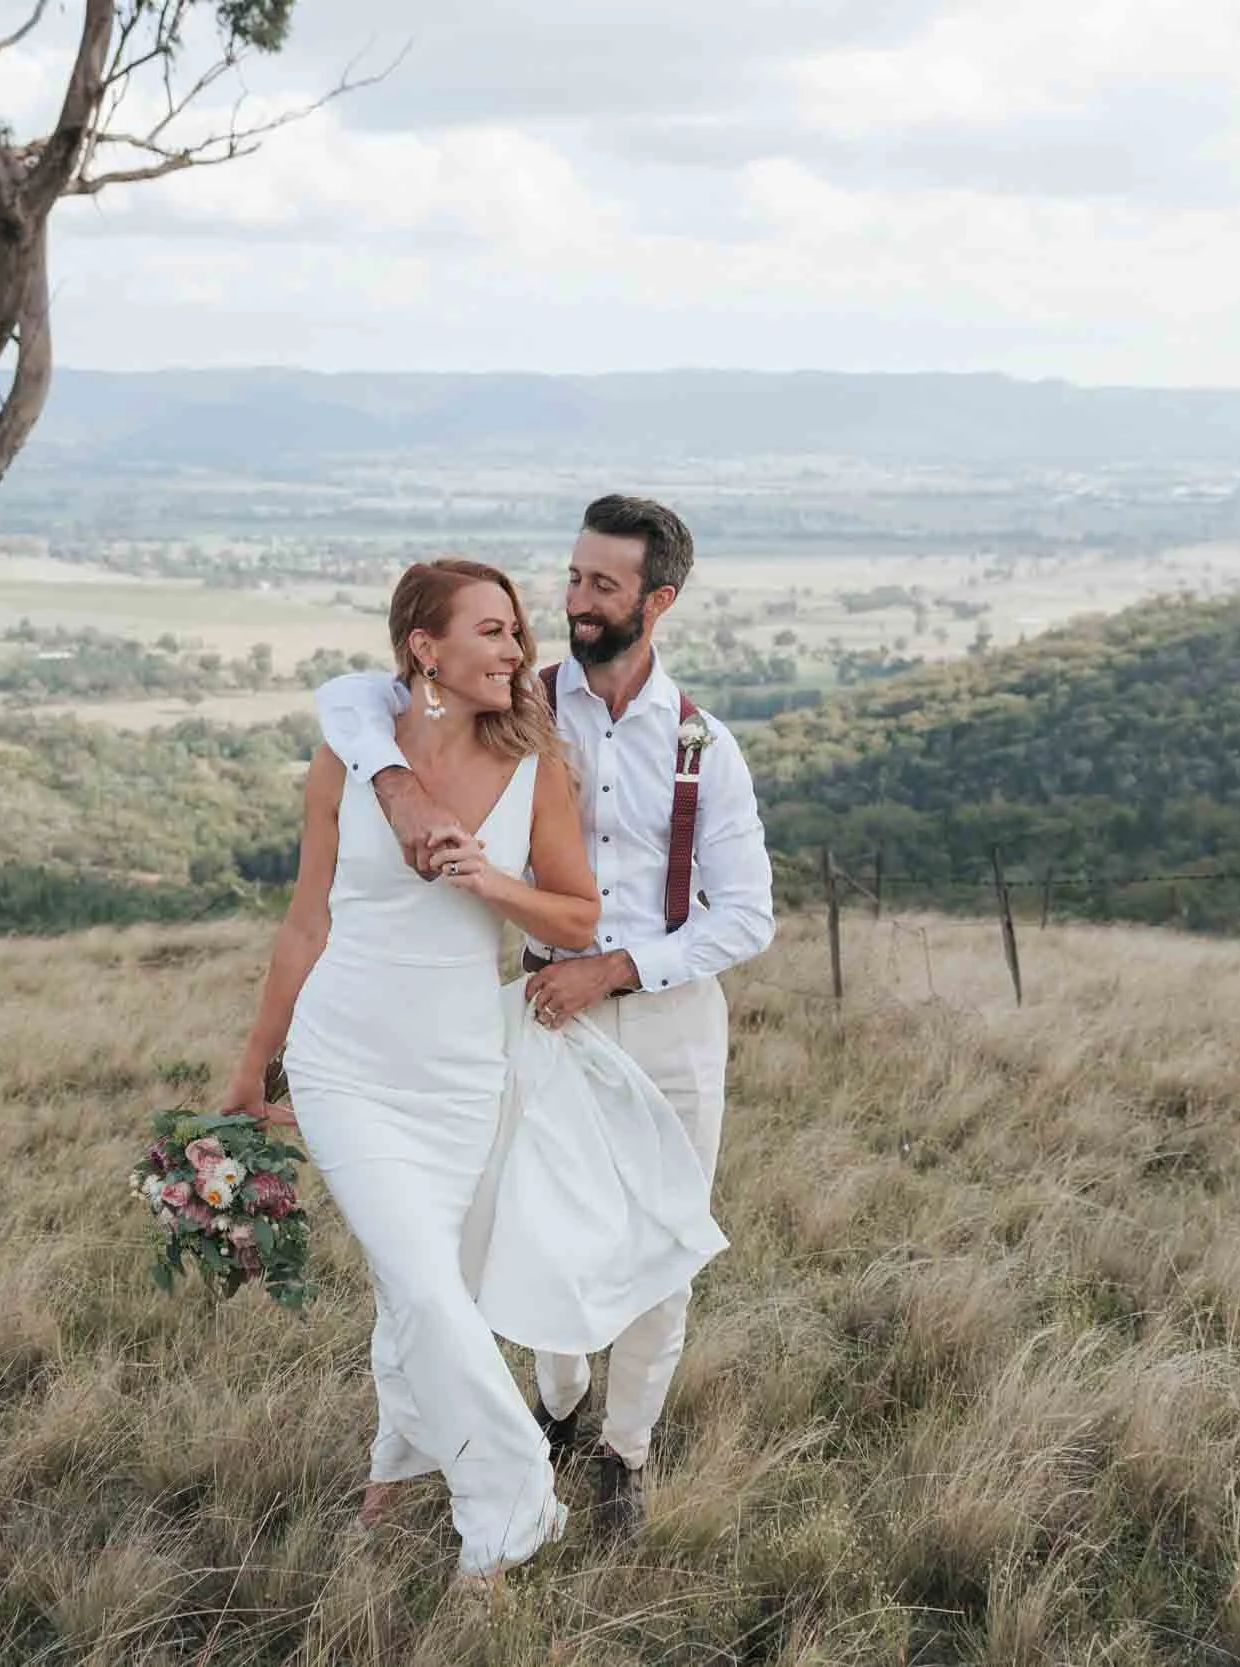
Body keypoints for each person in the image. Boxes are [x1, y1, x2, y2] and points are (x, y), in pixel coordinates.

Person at [217, 557, 722, 1589]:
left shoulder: (535, 766)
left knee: (425, 1286)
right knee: (426, 1283)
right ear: (423, 647)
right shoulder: (347, 761)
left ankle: (389, 1470)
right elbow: (304, 921)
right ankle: (509, 1506)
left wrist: (491, 880)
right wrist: (250, 1063)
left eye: (516, 630)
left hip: (457, 1073)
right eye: (490, 630)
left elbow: (579, 915)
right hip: (342, 1059)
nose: (516, 648)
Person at [314, 494, 776, 1538]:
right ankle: (557, 1405)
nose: (572, 601)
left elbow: (748, 916)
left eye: (600, 585)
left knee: (660, 1243)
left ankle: (624, 1455)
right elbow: (353, 697)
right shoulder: (517, 701)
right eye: (570, 578)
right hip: (537, 1015)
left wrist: (615, 964)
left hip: (665, 1022)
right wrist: (390, 778)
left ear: (656, 600)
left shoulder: (706, 745)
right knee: (539, 1235)